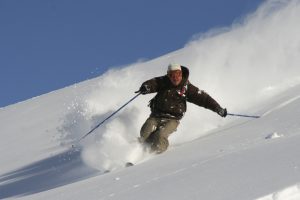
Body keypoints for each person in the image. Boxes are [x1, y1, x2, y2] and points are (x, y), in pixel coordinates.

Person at [137, 64, 227, 154]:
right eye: (172, 75)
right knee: (145, 133)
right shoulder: (163, 82)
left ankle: (153, 156)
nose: (175, 78)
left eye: (178, 74)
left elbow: (204, 99)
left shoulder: (186, 87)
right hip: (156, 115)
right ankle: (140, 152)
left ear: (181, 74)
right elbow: (153, 83)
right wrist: (146, 87)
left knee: (160, 135)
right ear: (168, 75)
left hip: (172, 119)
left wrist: (217, 108)